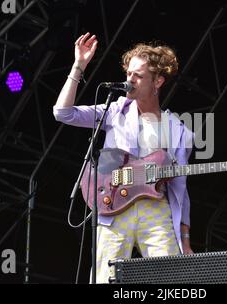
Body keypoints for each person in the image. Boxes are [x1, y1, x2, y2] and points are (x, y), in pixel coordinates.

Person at [53, 33, 193, 283]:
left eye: (138, 75)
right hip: (114, 206)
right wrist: (79, 66)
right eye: (128, 73)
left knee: (172, 281)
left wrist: (185, 241)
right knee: (106, 280)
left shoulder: (178, 130)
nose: (129, 79)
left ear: (158, 81)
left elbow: (181, 189)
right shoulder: (116, 110)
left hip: (155, 210)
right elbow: (63, 113)